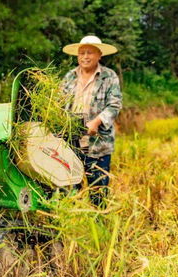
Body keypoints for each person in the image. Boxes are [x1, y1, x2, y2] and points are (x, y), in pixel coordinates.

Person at [61, 35, 122, 207]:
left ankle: (99, 224)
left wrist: (97, 122)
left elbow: (115, 104)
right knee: (71, 191)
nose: (85, 57)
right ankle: (76, 226)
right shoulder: (70, 77)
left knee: (98, 192)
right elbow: (59, 103)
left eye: (90, 53)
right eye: (81, 53)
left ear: (99, 55)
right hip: (71, 144)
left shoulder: (109, 77)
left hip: (98, 144)